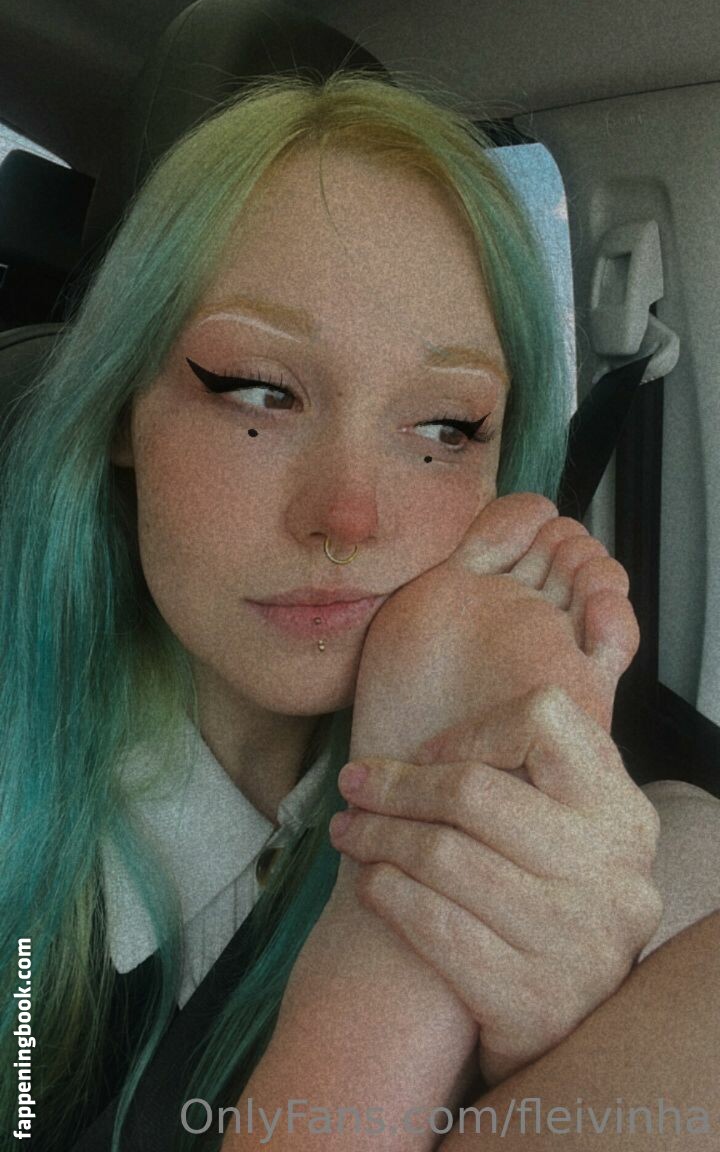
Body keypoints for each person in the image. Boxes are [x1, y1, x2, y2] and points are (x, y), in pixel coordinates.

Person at [1, 69, 718, 1152]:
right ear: (119, 407)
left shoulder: (645, 833)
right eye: (258, 389)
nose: (348, 515)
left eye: (444, 426)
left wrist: (549, 1054)